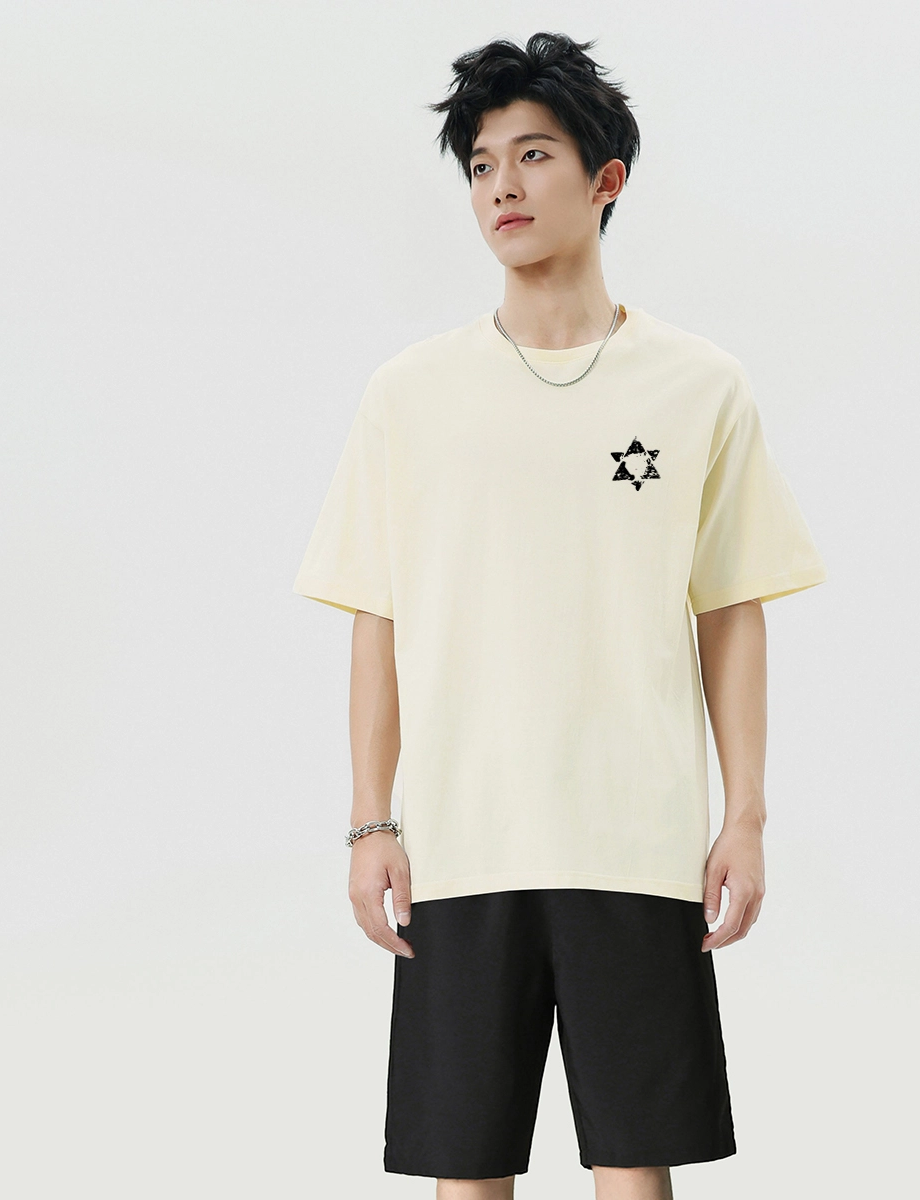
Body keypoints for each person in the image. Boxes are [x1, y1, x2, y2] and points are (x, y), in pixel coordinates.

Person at [293, 31, 828, 1200]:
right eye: (483, 165)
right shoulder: (410, 396)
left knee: (634, 1165)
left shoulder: (699, 386)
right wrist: (369, 823)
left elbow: (731, 609)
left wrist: (744, 818)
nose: (503, 186)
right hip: (462, 843)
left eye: (534, 155)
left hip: (635, 839)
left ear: (605, 179)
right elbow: (378, 616)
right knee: (464, 1168)